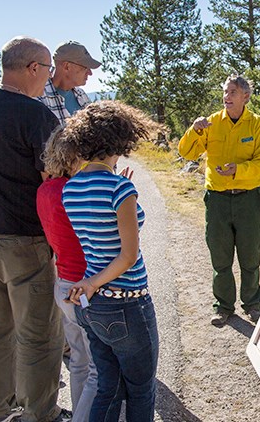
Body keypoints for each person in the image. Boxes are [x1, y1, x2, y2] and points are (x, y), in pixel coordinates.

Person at [0, 36, 68, 422]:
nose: (49, 78)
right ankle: (40, 414)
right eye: (48, 69)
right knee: (38, 336)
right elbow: (53, 179)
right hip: (23, 241)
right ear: (33, 68)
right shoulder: (36, 115)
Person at [46, 100, 162, 421]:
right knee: (141, 388)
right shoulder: (121, 189)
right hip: (128, 303)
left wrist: (91, 284)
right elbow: (127, 255)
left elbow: (99, 235)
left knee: (108, 386)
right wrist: (122, 188)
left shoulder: (71, 190)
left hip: (92, 308)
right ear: (119, 142)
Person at [35, 39, 102, 422]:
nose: (88, 73)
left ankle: (75, 344)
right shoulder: (37, 96)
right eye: (83, 66)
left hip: (78, 194)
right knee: (65, 268)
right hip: (55, 197)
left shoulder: (81, 97)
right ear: (63, 65)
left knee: (74, 263)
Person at [178, 74, 260, 326]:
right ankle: (223, 307)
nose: (226, 97)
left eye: (232, 92)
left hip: (248, 199)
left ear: (245, 96)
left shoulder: (256, 124)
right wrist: (194, 130)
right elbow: (186, 152)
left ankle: (252, 304)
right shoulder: (210, 123)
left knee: (250, 255)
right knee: (220, 257)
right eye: (225, 92)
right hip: (217, 200)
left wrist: (237, 170)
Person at [37, 151, 99, 422]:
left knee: (78, 362)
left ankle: (80, 411)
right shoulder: (74, 190)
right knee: (98, 367)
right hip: (83, 286)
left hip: (62, 282)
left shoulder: (44, 190)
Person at [38, 41, 99, 123]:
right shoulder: (39, 97)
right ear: (67, 66)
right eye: (85, 67)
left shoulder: (81, 95)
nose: (90, 73)